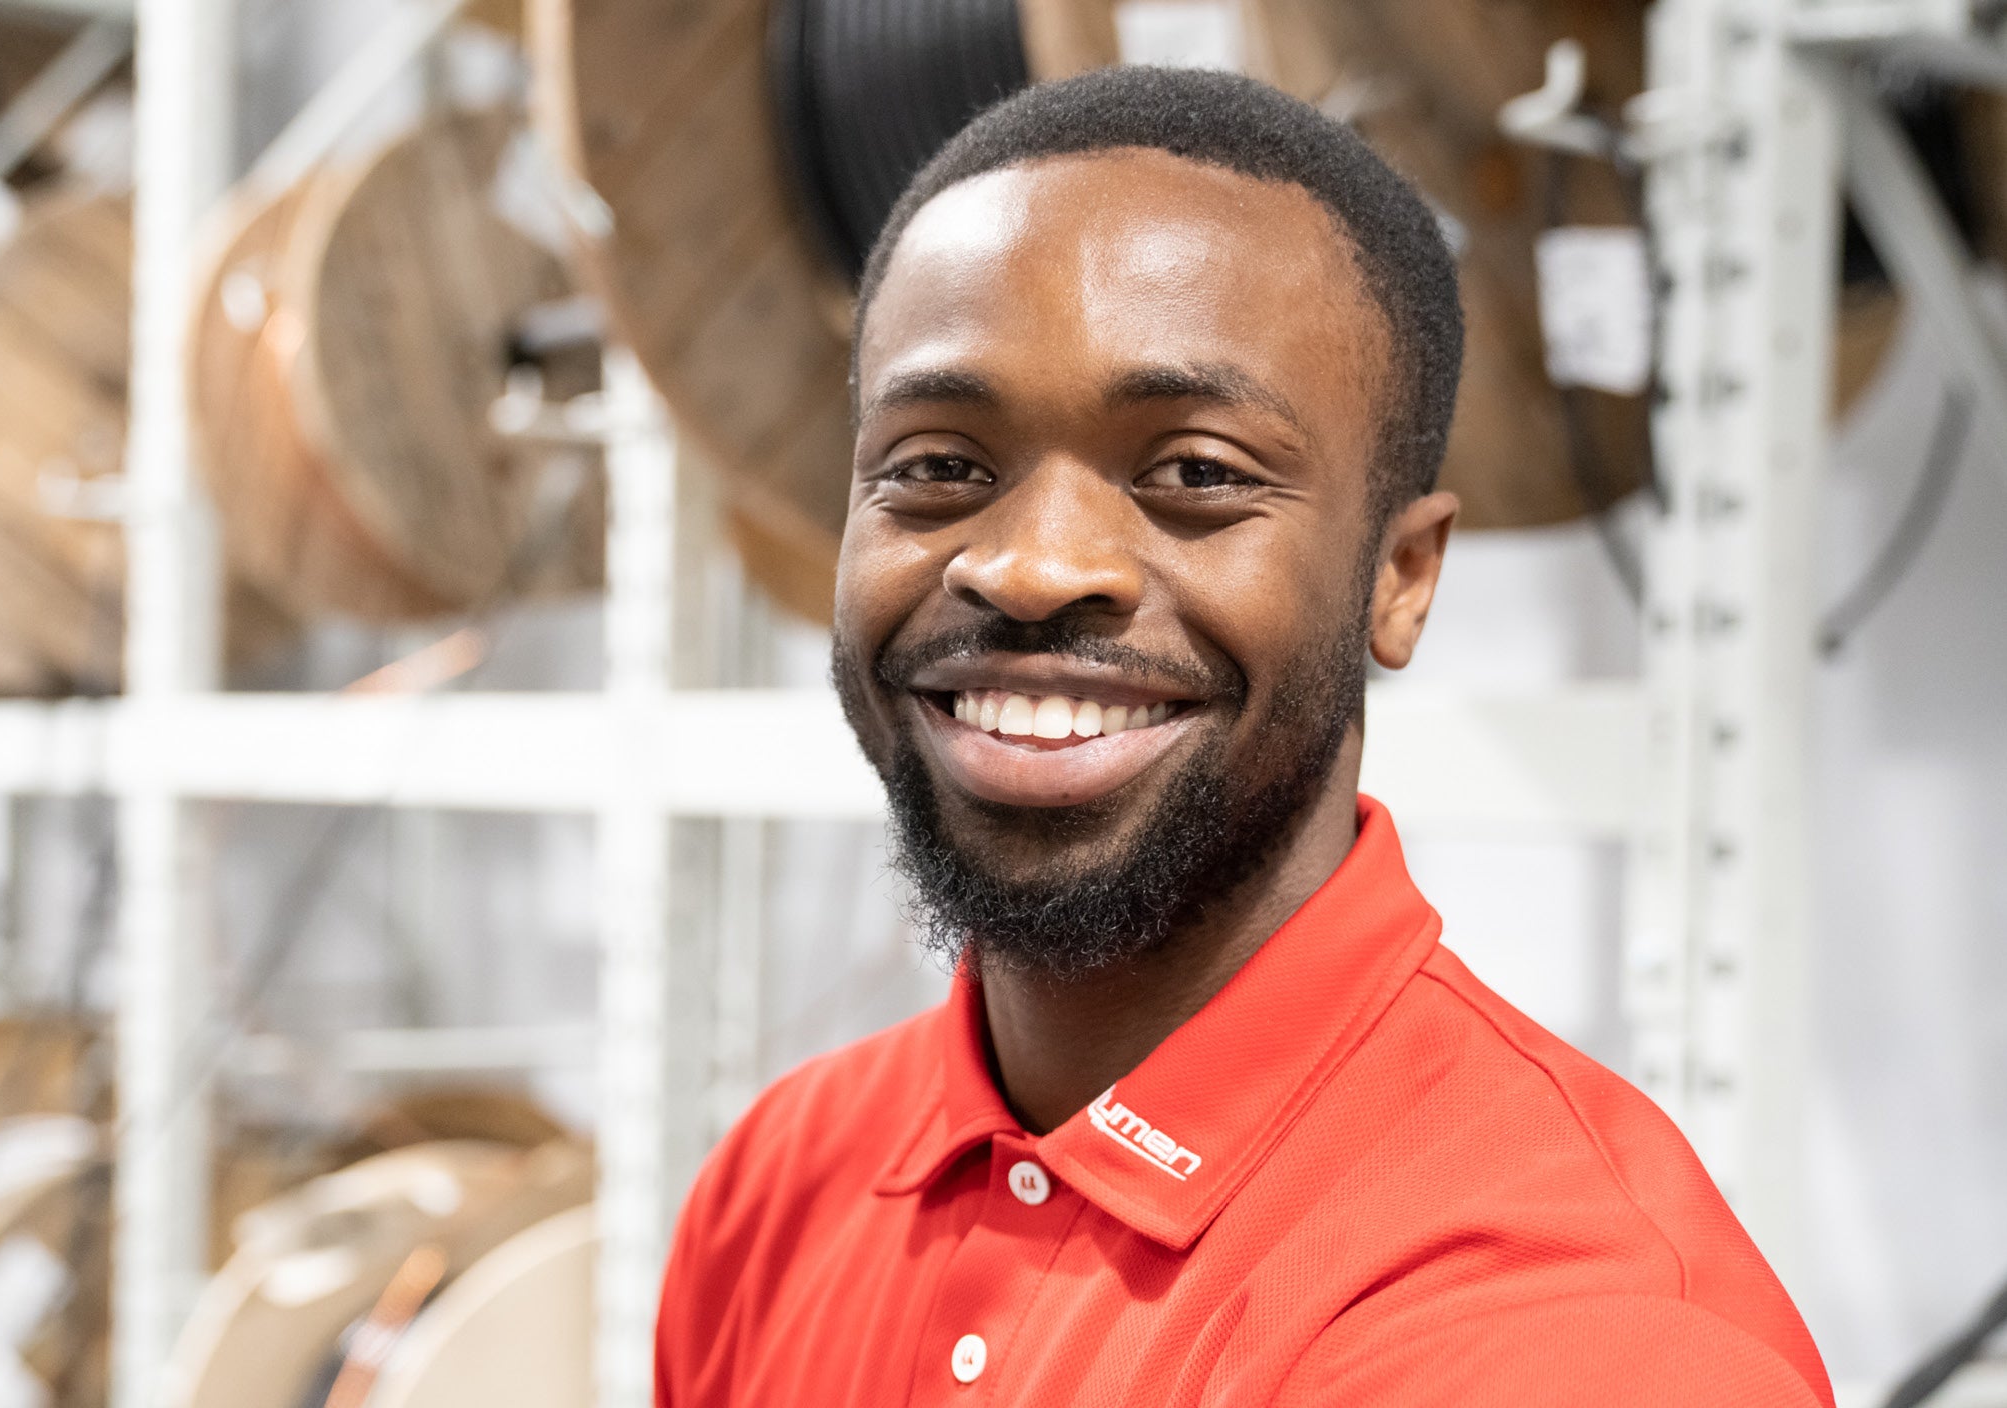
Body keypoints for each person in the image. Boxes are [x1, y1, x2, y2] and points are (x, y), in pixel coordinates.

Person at [653, 66, 1831, 1406]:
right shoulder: (779, 1183)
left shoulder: (1568, 1330)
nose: (1033, 569)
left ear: (1401, 579)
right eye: (936, 467)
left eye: (1195, 474)